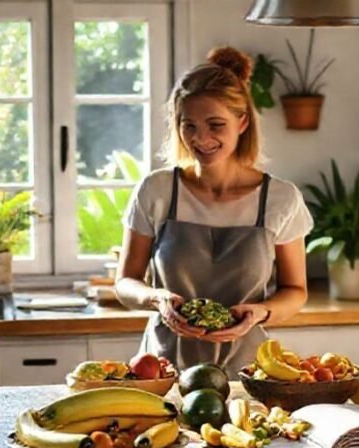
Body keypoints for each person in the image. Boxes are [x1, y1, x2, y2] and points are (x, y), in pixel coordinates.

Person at [115, 46, 313, 377]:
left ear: (243, 122)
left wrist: (260, 313)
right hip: (161, 372)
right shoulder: (157, 190)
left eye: (215, 124)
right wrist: (156, 298)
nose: (200, 138)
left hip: (247, 374)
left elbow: (295, 291)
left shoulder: (280, 199)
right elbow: (124, 282)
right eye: (188, 125)